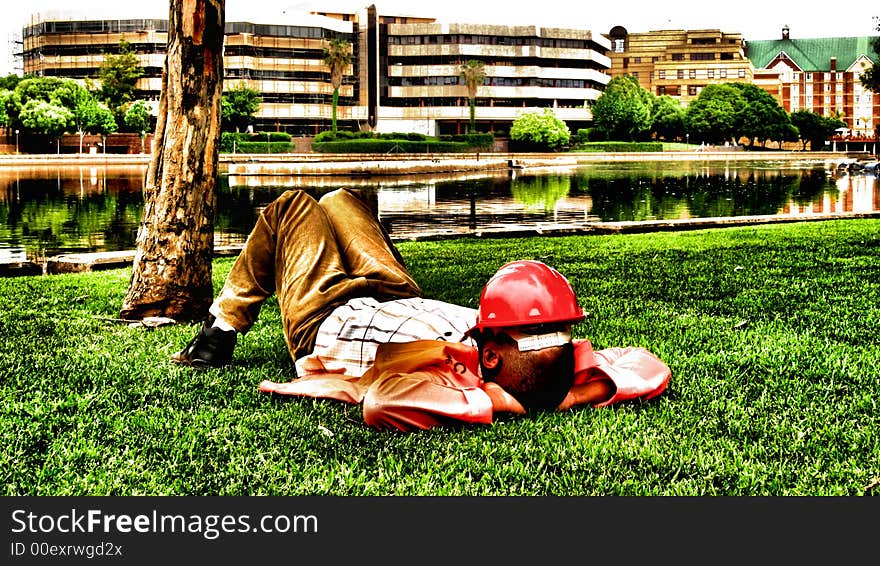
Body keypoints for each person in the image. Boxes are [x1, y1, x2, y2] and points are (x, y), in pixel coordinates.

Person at [172, 187, 670, 431]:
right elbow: (647, 365)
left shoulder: (446, 382)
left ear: (492, 358)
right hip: (398, 295)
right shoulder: (552, 358)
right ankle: (224, 321)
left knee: (293, 207)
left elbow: (382, 403)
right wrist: (562, 394)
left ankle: (221, 329)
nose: (482, 320)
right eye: (547, 330)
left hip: (325, 316)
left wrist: (499, 401)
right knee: (344, 200)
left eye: (492, 327)